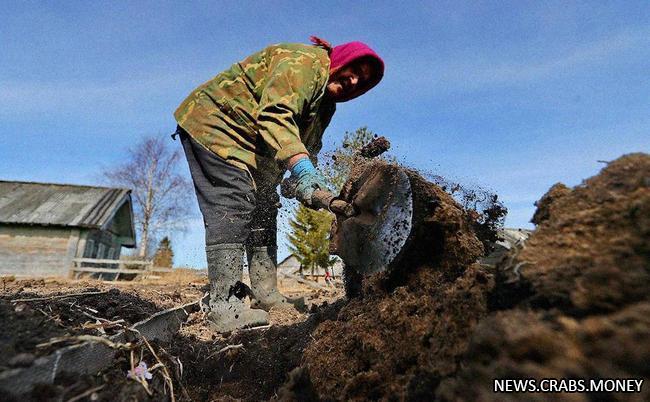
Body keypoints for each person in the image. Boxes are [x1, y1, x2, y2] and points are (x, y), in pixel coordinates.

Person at [173, 36, 384, 332]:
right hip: (217, 125)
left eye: (361, 81)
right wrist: (302, 170)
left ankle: (267, 296)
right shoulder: (304, 63)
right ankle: (224, 306)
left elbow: (304, 149)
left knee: (265, 207)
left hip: (251, 145)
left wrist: (303, 183)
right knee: (234, 202)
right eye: (353, 69)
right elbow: (275, 117)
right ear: (339, 61)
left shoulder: (326, 107)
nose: (352, 80)